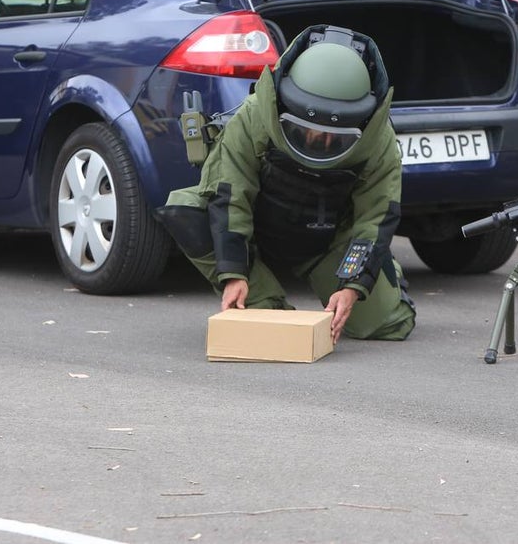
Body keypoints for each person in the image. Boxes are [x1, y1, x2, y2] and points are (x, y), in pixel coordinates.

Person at [154, 24, 416, 343]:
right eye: (306, 131)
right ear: (284, 104)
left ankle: (386, 278)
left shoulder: (378, 140)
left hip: (329, 241)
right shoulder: (255, 116)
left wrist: (354, 285)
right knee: (187, 210)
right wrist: (233, 273)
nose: (318, 141)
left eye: (333, 137)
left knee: (389, 325)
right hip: (257, 233)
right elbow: (230, 196)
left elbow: (376, 217)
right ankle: (264, 302)